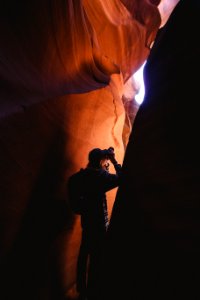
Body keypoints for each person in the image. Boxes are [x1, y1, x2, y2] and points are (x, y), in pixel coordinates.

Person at [68, 147, 122, 300]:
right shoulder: (101, 177)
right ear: (100, 161)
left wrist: (81, 208)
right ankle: (91, 291)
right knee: (96, 258)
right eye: (104, 160)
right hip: (99, 225)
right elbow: (122, 177)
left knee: (84, 253)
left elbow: (72, 186)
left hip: (87, 222)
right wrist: (113, 160)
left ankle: (81, 289)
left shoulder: (79, 177)